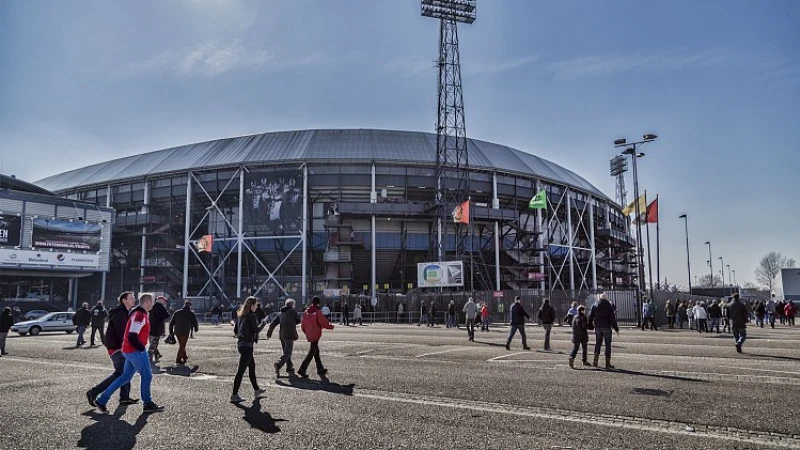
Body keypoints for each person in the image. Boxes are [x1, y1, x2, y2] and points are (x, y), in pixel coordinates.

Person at [93, 293, 164, 413]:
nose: (153, 304)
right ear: (146, 302)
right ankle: (148, 403)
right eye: (152, 301)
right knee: (147, 375)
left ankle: (102, 400)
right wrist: (142, 349)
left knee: (124, 377)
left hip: (128, 350)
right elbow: (132, 335)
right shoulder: (140, 315)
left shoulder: (138, 313)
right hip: (134, 351)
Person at [86, 292, 138, 408]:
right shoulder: (120, 314)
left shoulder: (124, 312)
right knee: (120, 374)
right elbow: (122, 334)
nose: (134, 299)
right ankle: (93, 392)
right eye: (131, 298)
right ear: (124, 300)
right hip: (118, 348)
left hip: (119, 347)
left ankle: (124, 397)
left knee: (126, 372)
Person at [231, 297, 267, 404]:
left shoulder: (240, 315)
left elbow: (235, 330)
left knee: (252, 367)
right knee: (241, 371)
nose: (257, 307)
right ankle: (234, 394)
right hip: (247, 346)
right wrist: (264, 324)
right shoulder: (251, 315)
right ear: (251, 305)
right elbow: (255, 330)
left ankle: (256, 390)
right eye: (256, 305)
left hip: (241, 344)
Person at [298, 296, 334, 378]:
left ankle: (320, 368)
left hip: (309, 333)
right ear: (318, 303)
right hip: (315, 333)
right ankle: (302, 369)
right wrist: (330, 326)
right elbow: (323, 322)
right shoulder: (317, 312)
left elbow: (303, 325)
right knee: (312, 352)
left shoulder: (306, 312)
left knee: (316, 351)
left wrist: (306, 331)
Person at [267, 298, 302, 377]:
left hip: (282, 335)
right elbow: (299, 320)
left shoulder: (280, 313)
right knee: (287, 352)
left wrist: (269, 332)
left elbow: (273, 323)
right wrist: (293, 322)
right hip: (289, 334)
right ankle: (278, 364)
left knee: (286, 351)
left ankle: (289, 367)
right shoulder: (292, 311)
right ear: (292, 305)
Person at [588, 293, 619, 369]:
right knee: (608, 344)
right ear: (606, 298)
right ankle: (607, 363)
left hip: (597, 327)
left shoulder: (595, 305)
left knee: (598, 343)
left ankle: (595, 360)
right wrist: (616, 329)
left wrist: (590, 325)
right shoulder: (608, 305)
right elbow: (612, 319)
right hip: (606, 327)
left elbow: (591, 316)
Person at [169, 300, 199, 365]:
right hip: (185, 331)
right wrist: (196, 328)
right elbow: (195, 322)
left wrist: (171, 332)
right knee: (182, 345)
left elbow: (171, 323)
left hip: (177, 331)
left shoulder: (177, 312)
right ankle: (178, 359)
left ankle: (184, 357)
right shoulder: (190, 313)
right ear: (190, 306)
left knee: (181, 344)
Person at [148, 296, 170, 363]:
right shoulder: (160, 307)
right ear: (160, 300)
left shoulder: (150, 307)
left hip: (149, 328)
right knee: (154, 344)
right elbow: (167, 316)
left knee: (152, 342)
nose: (165, 302)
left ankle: (157, 354)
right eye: (164, 301)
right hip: (157, 329)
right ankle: (149, 358)